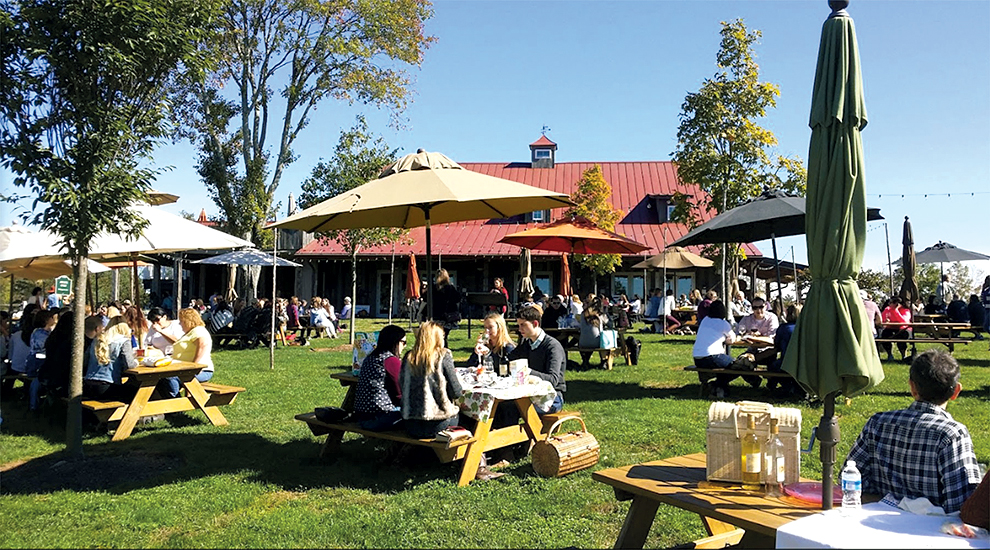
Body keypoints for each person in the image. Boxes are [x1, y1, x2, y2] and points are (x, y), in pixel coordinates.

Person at [845, 349, 981, 514]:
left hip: (876, 519)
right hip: (930, 532)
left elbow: (850, 478)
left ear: (912, 386)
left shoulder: (878, 423)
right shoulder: (952, 434)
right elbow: (962, 504)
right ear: (956, 391)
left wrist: (886, 501)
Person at [400, 321, 464, 439]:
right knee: (467, 417)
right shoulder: (443, 356)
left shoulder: (408, 357)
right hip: (439, 422)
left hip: (410, 423)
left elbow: (402, 385)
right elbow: (456, 392)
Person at [507, 305, 566, 414]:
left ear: (535, 324)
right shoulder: (527, 343)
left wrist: (527, 371)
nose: (519, 329)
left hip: (552, 397)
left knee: (511, 409)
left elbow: (553, 379)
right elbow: (508, 360)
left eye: (523, 325)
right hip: (529, 394)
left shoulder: (552, 346)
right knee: (503, 406)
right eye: (519, 325)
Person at [353, 325, 407, 431]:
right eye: (403, 342)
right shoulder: (390, 360)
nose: (404, 346)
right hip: (380, 417)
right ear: (395, 342)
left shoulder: (370, 357)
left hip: (362, 416)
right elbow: (399, 393)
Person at [160, 308, 216, 398]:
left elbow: (203, 345)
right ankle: (170, 406)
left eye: (181, 321)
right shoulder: (189, 333)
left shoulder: (198, 330)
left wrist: (194, 366)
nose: (180, 324)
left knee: (170, 378)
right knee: (161, 379)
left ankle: (176, 405)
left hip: (201, 371)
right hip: (183, 370)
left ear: (188, 321)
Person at [83, 315, 138, 401]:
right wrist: (136, 362)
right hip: (108, 387)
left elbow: (85, 361)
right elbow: (129, 365)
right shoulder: (123, 341)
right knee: (137, 392)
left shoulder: (96, 340)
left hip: (88, 385)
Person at [691, 299, 736, 398]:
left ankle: (717, 387)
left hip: (698, 358)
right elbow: (732, 340)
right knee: (736, 364)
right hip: (712, 356)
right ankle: (717, 385)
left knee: (724, 366)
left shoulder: (705, 320)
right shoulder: (723, 323)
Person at [768, 304, 803, 397]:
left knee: (772, 366)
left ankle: (785, 387)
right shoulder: (806, 328)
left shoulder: (783, 328)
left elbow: (777, 346)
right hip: (804, 363)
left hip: (786, 363)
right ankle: (797, 388)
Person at [578, 297, 611, 368]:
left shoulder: (583, 314)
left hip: (583, 343)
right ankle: (603, 361)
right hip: (597, 342)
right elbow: (610, 325)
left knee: (585, 338)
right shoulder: (600, 314)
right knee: (603, 341)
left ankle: (585, 360)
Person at [879, 296, 913, 362]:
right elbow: (882, 320)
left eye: (891, 302)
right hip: (891, 328)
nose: (889, 304)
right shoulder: (887, 309)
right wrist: (885, 321)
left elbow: (904, 321)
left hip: (904, 329)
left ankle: (904, 356)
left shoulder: (906, 310)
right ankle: (889, 354)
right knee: (885, 335)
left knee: (901, 337)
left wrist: (895, 310)